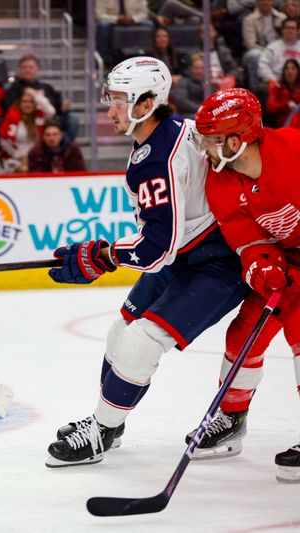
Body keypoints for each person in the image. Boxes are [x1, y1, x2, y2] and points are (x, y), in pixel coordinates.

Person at [44, 57, 249, 467]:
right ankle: (110, 424)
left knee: (141, 341)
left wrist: (104, 255)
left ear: (148, 103)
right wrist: (105, 254)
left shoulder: (156, 160)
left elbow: (157, 248)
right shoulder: (178, 130)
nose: (112, 110)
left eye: (121, 101)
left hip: (220, 261)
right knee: (121, 329)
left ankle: (100, 432)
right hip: (188, 252)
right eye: (112, 100)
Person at [190, 88, 300, 484]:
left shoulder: (293, 150)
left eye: (211, 139)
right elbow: (247, 237)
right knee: (244, 337)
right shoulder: (220, 181)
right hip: (289, 262)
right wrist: (263, 265)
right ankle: (231, 420)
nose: (205, 147)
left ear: (236, 140)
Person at [4, 54, 78, 142]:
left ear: (37, 69)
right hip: (27, 120)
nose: (28, 70)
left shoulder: (47, 87)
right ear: (19, 70)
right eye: (24, 67)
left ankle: (66, 148)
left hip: (49, 119)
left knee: (73, 119)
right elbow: (9, 107)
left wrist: (63, 108)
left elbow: (57, 107)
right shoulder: (14, 89)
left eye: (31, 67)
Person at [0, 86, 55, 172]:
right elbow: (4, 141)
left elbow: (51, 111)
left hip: (38, 158)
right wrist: (18, 156)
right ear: (19, 103)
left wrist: (36, 95)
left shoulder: (39, 117)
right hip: (16, 160)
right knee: (23, 169)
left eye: (31, 102)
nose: (28, 104)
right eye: (24, 102)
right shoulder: (12, 117)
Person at [242, 0, 286, 90]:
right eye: (262, 0)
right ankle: (255, 91)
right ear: (257, 2)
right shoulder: (249, 20)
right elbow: (250, 43)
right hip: (260, 51)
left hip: (279, 50)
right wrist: (268, 52)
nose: (265, 2)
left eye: (268, 0)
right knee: (254, 55)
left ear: (272, 2)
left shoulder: (282, 17)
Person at [258, 17, 300, 87]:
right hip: (277, 80)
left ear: (298, 30)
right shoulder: (272, 47)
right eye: (287, 28)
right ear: (282, 30)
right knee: (261, 88)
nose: (290, 30)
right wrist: (273, 80)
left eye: (292, 28)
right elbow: (263, 66)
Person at [173, 52, 217, 120]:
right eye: (196, 68)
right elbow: (182, 102)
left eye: (202, 68)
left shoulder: (212, 85)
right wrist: (202, 109)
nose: (199, 71)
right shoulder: (184, 83)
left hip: (208, 116)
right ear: (191, 69)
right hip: (189, 117)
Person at [266, 58, 300, 126]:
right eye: (286, 68)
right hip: (283, 127)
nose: (289, 71)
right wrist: (286, 104)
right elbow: (270, 107)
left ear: (298, 72)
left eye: (293, 68)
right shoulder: (277, 87)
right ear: (283, 72)